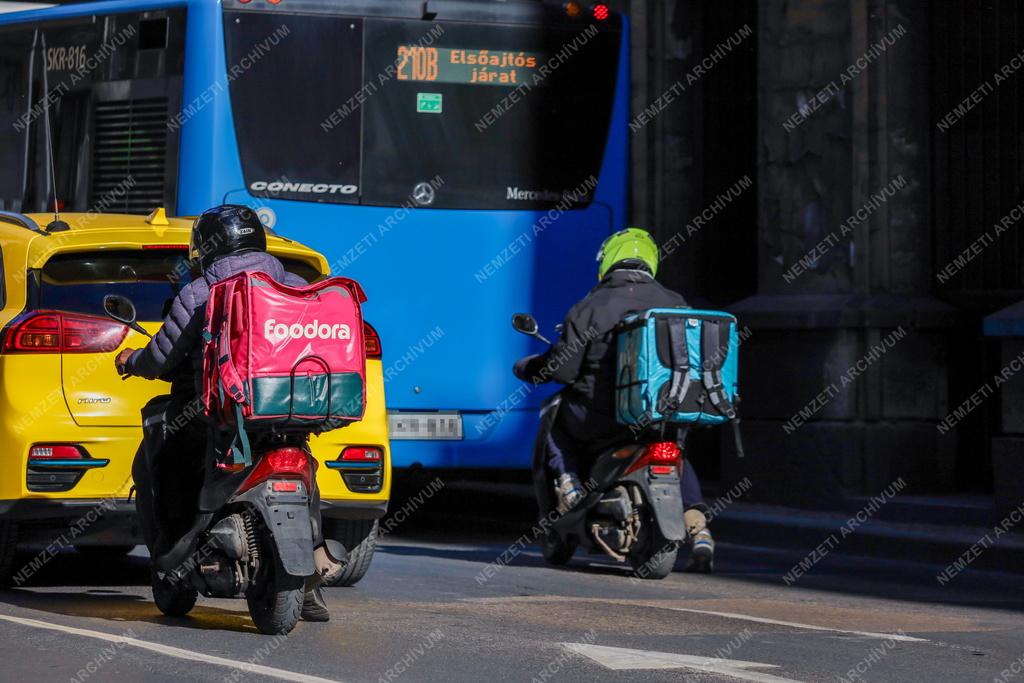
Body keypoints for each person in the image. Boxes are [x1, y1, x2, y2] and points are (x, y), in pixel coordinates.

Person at [115, 204, 342, 619]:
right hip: (285, 412)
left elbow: (162, 356)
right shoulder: (295, 284)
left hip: (218, 413)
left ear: (205, 248)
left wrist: (132, 361)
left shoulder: (199, 291)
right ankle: (311, 572)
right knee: (305, 466)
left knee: (168, 462)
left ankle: (174, 554)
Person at [513, 227, 714, 572]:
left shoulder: (591, 306)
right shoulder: (676, 303)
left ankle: (570, 486)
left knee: (555, 424)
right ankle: (700, 526)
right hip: (659, 415)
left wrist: (530, 367)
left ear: (608, 261)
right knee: (671, 448)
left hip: (600, 417)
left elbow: (564, 370)